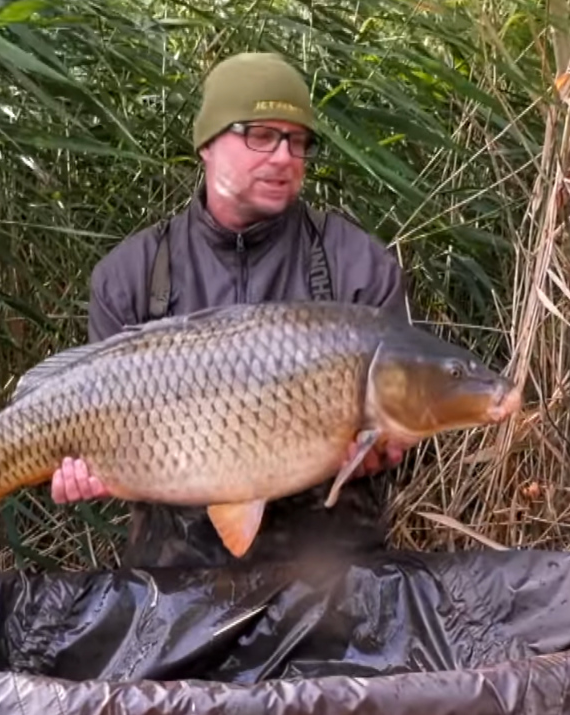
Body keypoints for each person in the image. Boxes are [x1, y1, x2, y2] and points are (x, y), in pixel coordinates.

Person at [51, 52, 412, 569]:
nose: (285, 156)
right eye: (261, 135)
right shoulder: (128, 277)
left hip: (328, 572)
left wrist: (371, 455)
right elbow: (97, 432)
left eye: (297, 141)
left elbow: (399, 428)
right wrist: (91, 472)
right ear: (207, 144)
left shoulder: (358, 266)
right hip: (176, 574)